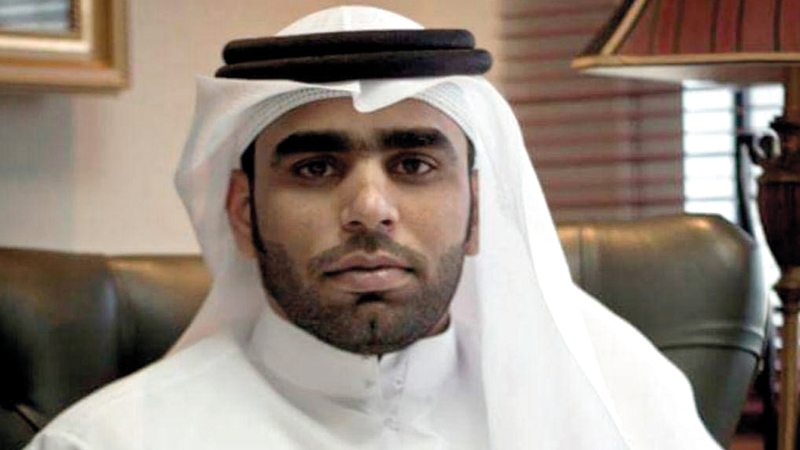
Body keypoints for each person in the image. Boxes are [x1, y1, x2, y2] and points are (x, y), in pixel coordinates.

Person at [25, 6, 721, 450]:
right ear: (242, 211)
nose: (369, 208)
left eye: (414, 164)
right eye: (315, 168)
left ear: (478, 211)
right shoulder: (109, 442)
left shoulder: (623, 410)